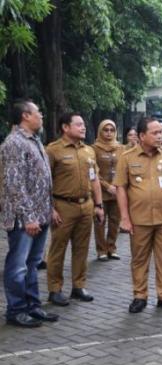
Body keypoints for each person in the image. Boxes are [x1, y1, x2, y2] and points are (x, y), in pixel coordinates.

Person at [115, 117, 162, 313]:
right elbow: (121, 188)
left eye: (161, 132)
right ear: (141, 136)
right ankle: (139, 296)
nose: (159, 136)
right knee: (139, 259)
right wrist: (125, 218)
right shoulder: (127, 157)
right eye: (155, 133)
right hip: (139, 219)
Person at [0, 100, 58, 327]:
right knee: (18, 265)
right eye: (38, 113)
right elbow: (14, 185)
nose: (41, 116)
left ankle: (33, 306)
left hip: (39, 215)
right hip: (25, 219)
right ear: (26, 116)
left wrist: (49, 210)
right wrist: (28, 217)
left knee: (32, 263)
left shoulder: (33, 141)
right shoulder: (14, 143)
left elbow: (41, 181)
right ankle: (16, 310)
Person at [45, 112, 104, 306]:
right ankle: (55, 289)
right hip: (63, 206)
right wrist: (50, 209)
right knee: (58, 249)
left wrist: (98, 205)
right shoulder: (53, 150)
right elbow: (45, 183)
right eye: (78, 124)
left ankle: (78, 286)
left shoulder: (89, 151)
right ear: (65, 127)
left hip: (85, 205)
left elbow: (94, 179)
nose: (83, 127)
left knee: (81, 249)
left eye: (84, 124)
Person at [92, 120, 123, 261]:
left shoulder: (121, 148)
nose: (109, 133)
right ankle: (101, 250)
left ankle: (112, 247)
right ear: (100, 131)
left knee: (115, 221)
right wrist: (106, 186)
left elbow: (123, 169)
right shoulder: (94, 149)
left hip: (117, 192)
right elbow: (93, 172)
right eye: (106, 130)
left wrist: (117, 186)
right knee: (100, 221)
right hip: (101, 192)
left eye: (112, 129)